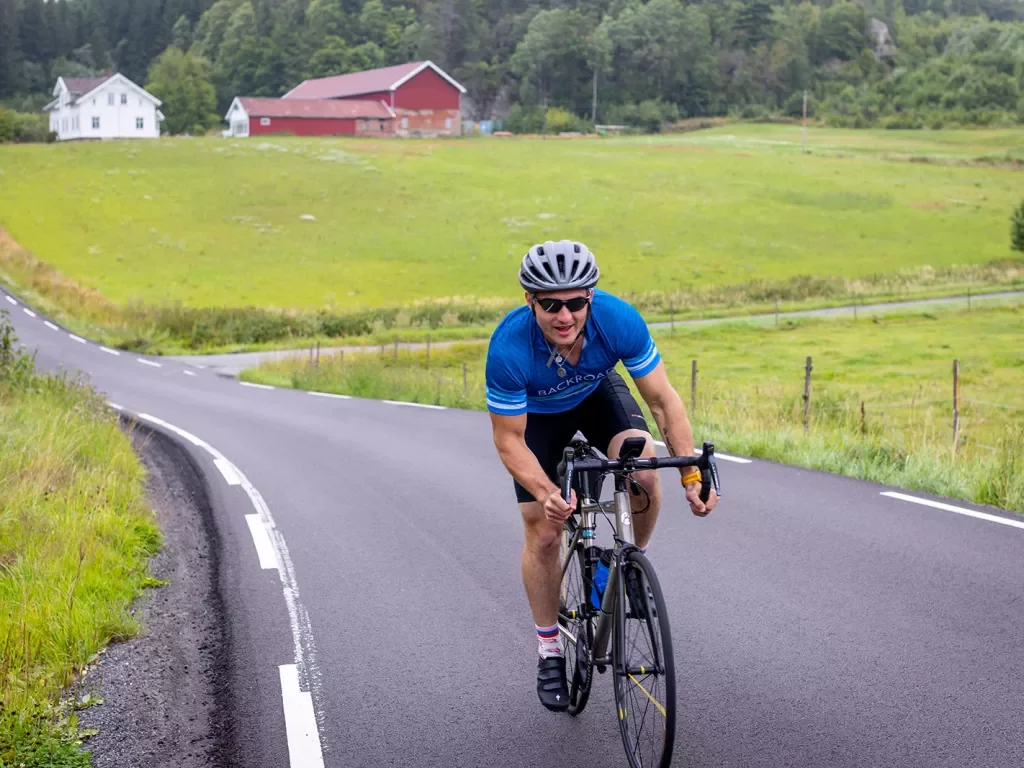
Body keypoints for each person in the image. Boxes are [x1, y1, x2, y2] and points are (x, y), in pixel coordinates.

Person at [486, 239, 719, 712]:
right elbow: (510, 440)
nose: (565, 315)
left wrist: (691, 473)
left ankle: (626, 565)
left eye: (576, 302)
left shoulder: (618, 320)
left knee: (644, 473)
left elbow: (663, 401)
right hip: (537, 417)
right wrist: (547, 491)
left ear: (591, 297)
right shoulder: (509, 348)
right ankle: (550, 648)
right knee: (544, 530)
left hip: (596, 394)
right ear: (530, 301)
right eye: (551, 304)